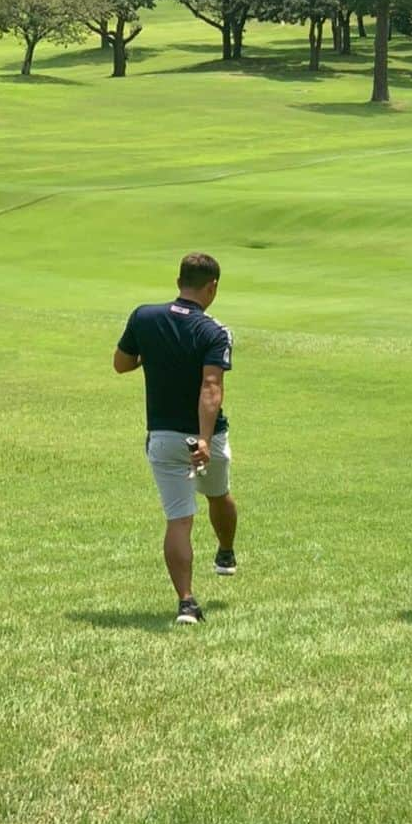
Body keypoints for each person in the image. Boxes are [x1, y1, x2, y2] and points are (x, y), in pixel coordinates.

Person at [113, 253, 237, 625]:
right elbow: (211, 386)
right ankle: (226, 552)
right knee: (219, 495)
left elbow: (121, 363)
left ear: (178, 280)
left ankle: (186, 603)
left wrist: (150, 356)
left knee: (179, 520)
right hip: (207, 437)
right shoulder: (214, 331)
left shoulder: (143, 316)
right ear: (211, 286)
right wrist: (201, 438)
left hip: (163, 436)